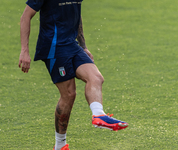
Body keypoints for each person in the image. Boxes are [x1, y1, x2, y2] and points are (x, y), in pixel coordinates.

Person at [18, 0, 128, 150]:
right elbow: (25, 16)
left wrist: (83, 46)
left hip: (71, 44)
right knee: (69, 94)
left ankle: (99, 115)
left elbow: (76, 13)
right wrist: (24, 51)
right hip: (53, 46)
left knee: (96, 78)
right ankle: (60, 145)